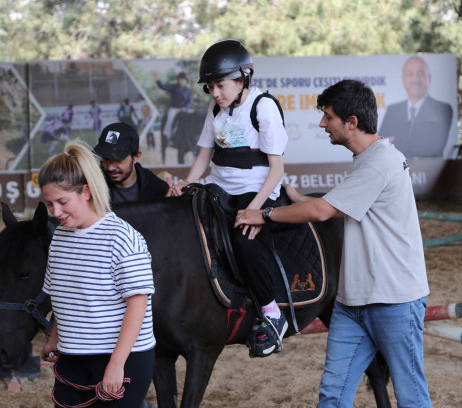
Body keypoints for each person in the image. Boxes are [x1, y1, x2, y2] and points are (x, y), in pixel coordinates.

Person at [235, 79, 432, 407]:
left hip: (394, 302)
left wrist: (265, 215)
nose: (322, 123)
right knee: (332, 396)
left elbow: (323, 211)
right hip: (353, 304)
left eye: (328, 116)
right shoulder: (368, 160)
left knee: (412, 398)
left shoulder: (381, 161)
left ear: (351, 122)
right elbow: (347, 205)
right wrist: (298, 197)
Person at [167, 39, 289, 358]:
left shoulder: (263, 107)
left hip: (257, 188)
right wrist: (187, 183)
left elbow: (277, 170)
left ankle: (273, 314)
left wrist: (254, 209)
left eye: (220, 85)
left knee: (244, 239)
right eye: (210, 87)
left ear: (242, 78)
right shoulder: (215, 109)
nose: (215, 93)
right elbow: (203, 157)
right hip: (219, 185)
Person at [39, 140, 156, 408]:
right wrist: (56, 336)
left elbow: (138, 305)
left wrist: (117, 364)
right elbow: (64, 295)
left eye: (62, 201)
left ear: (86, 192)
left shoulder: (123, 238)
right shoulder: (60, 237)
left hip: (123, 357)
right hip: (72, 356)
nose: (56, 212)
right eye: (49, 204)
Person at [379, 55, 454, 158]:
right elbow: (380, 146)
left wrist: (395, 140)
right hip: (397, 171)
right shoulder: (393, 111)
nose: (415, 79)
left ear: (429, 78)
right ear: (403, 79)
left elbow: (434, 146)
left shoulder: (442, 109)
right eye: (410, 74)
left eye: (421, 73)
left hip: (429, 171)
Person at [93, 122, 169, 204]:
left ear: (136, 157)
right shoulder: (91, 186)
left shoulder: (158, 189)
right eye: (106, 158)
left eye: (118, 159)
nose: (110, 167)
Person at [153, 71, 193, 146]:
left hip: (184, 109)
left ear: (185, 81)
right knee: (170, 121)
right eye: (181, 79)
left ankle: (192, 138)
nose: (182, 80)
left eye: (183, 79)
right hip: (174, 109)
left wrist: (186, 107)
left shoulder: (188, 91)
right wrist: (157, 78)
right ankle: (169, 138)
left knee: (193, 117)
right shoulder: (174, 87)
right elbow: (163, 86)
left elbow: (190, 101)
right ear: (178, 79)